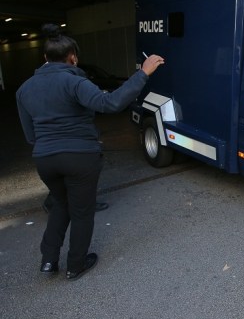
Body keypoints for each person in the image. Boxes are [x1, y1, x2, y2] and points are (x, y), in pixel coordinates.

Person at [16, 24, 165, 280]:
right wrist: (143, 74)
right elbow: (111, 103)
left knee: (60, 204)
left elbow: (30, 135)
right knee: (82, 211)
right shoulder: (75, 82)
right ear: (73, 57)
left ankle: (49, 260)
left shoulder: (24, 89)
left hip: (45, 159)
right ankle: (76, 264)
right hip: (80, 157)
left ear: (45, 57)